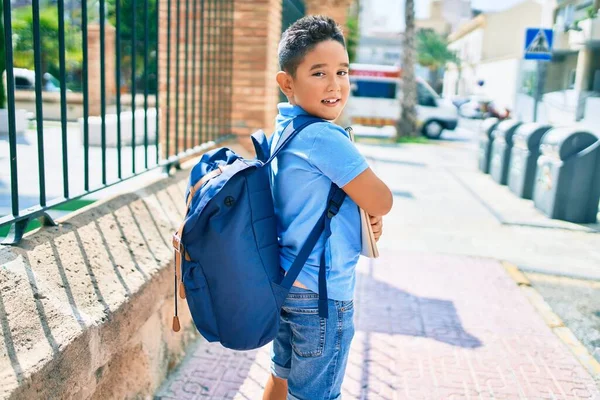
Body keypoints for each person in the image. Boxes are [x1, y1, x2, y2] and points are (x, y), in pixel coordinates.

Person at [263, 15, 393, 400]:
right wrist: (368, 209)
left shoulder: (286, 128)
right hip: (322, 295)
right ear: (287, 83)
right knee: (318, 395)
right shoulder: (324, 138)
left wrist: (360, 211)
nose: (335, 84)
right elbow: (382, 200)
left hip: (288, 281)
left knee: (281, 374)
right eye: (319, 73)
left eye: (342, 71)